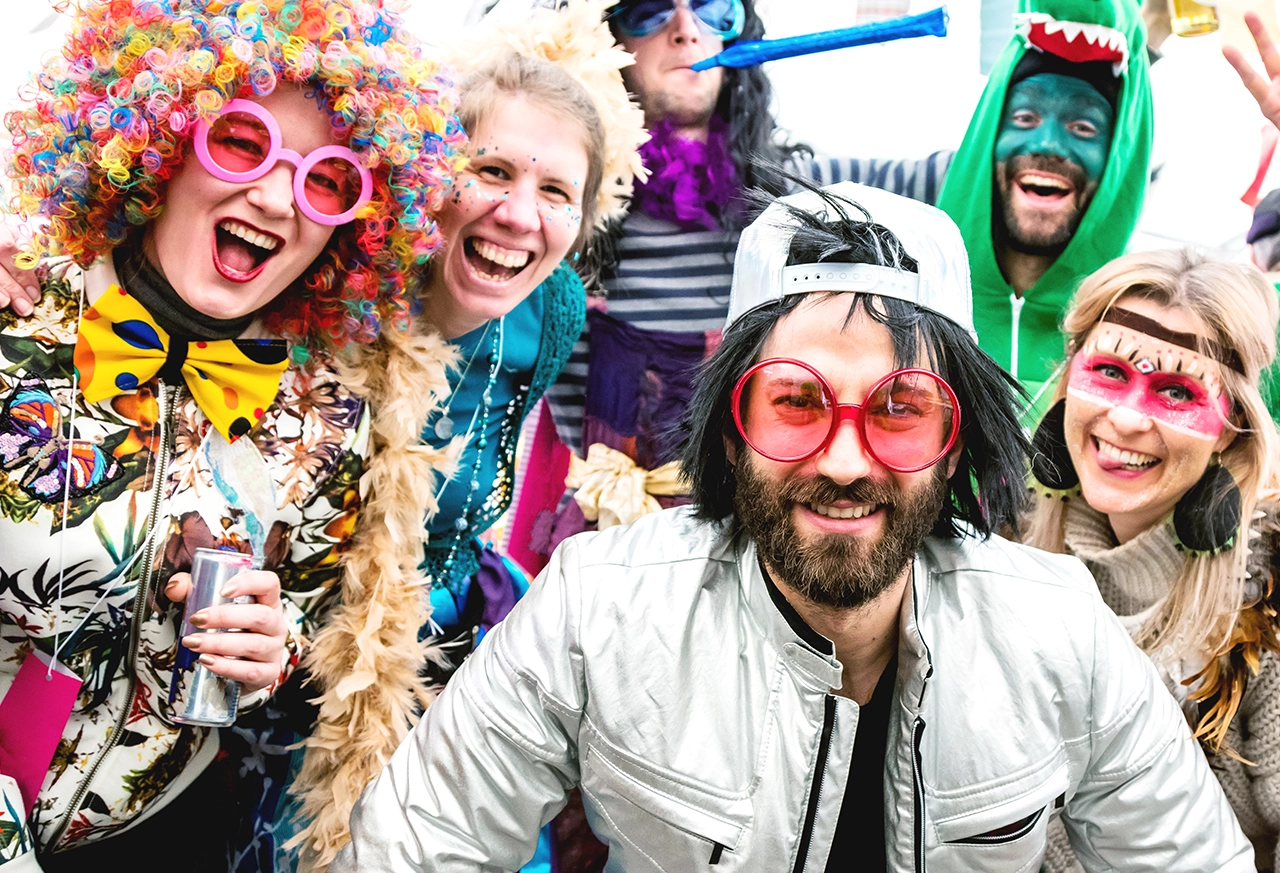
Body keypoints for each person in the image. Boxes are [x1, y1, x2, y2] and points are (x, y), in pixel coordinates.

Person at [334, 182, 1254, 872]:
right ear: (730, 432)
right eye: (795, 401)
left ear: (956, 439)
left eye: (901, 407)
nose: (845, 460)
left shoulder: (1059, 630)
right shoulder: (599, 606)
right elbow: (416, 846)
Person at [0, 0, 461, 870]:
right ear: (163, 148)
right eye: (242, 142)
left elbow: (305, 619)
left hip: (156, 838)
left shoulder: (329, 416)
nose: (279, 196)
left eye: (326, 178)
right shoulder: (15, 317)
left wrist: (270, 650)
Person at [274, 3, 648, 870]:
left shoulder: (549, 310)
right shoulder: (341, 283)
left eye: (556, 190)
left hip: (450, 647)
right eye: (490, 172)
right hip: (295, 675)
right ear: (433, 175)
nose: (521, 216)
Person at [1021, 249, 1280, 870]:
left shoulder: (1269, 595)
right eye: (1109, 372)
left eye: (1175, 390)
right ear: (1067, 380)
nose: (1128, 417)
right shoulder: (999, 545)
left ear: (1231, 427)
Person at [936, 0, 1153, 416]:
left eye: (1082, 127)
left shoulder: (1147, 330)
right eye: (1024, 117)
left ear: (1117, 165)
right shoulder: (902, 305)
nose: (1047, 145)